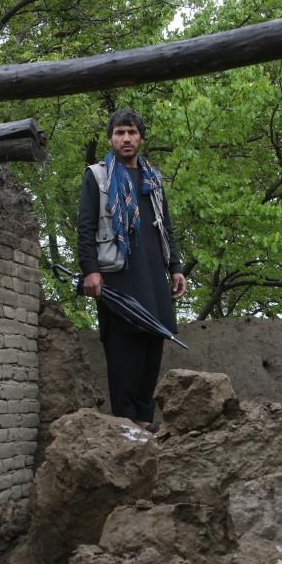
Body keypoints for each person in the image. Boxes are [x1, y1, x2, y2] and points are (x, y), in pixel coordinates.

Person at [77, 108, 186, 432]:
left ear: (140, 137)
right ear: (111, 138)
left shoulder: (153, 178)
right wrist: (90, 270)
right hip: (117, 275)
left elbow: (165, 226)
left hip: (152, 274)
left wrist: (175, 268)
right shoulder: (97, 176)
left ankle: (144, 419)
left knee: (152, 347)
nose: (126, 138)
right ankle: (124, 425)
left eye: (132, 132)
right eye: (119, 133)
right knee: (124, 354)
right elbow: (85, 227)